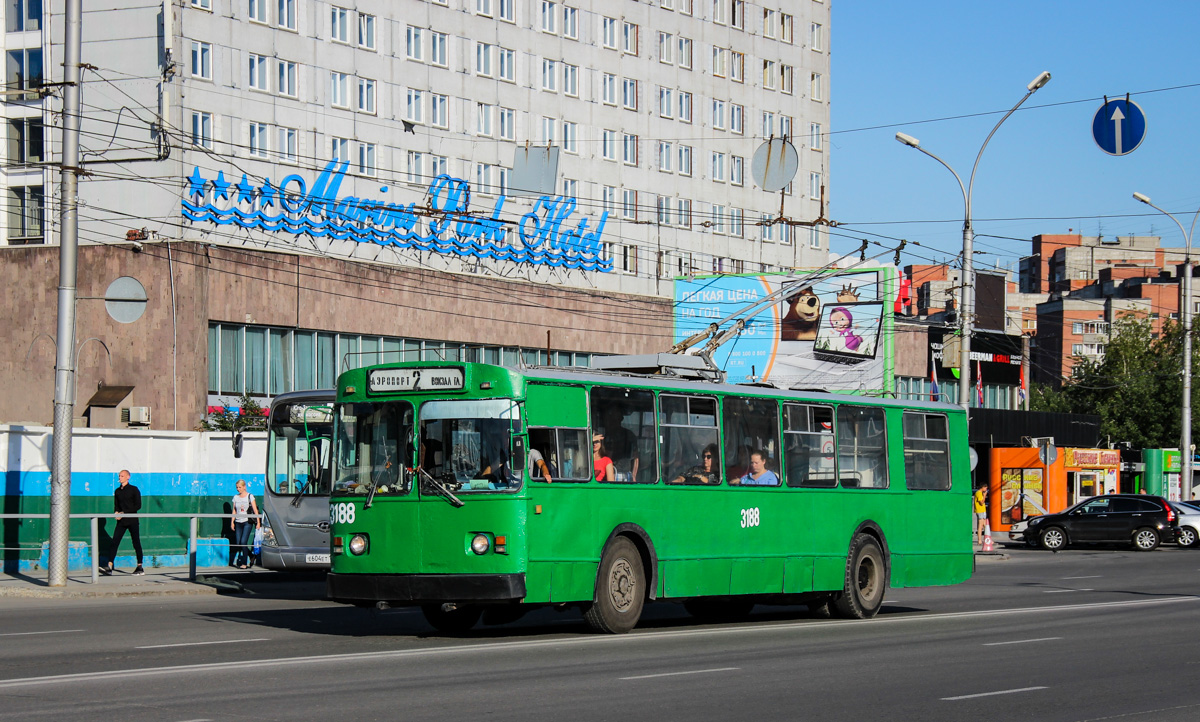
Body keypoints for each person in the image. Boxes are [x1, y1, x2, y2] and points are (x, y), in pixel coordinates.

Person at [100, 469, 143, 576]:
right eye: (119, 476)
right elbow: (116, 505)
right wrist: (116, 513)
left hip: (132, 520)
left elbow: (138, 506)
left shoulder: (134, 489)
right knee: (115, 541)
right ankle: (109, 566)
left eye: (122, 476)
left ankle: (140, 567)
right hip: (122, 521)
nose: (120, 478)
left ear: (128, 477)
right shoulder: (117, 491)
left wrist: (124, 512)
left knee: (136, 542)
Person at [230, 479, 260, 569]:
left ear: (244, 487)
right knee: (239, 543)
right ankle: (251, 556)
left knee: (243, 542)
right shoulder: (235, 497)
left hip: (247, 521)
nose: (238, 489)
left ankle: (244, 563)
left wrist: (258, 522)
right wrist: (232, 521)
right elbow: (234, 510)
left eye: (240, 487)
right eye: (237, 487)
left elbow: (255, 510)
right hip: (238, 522)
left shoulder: (250, 496)